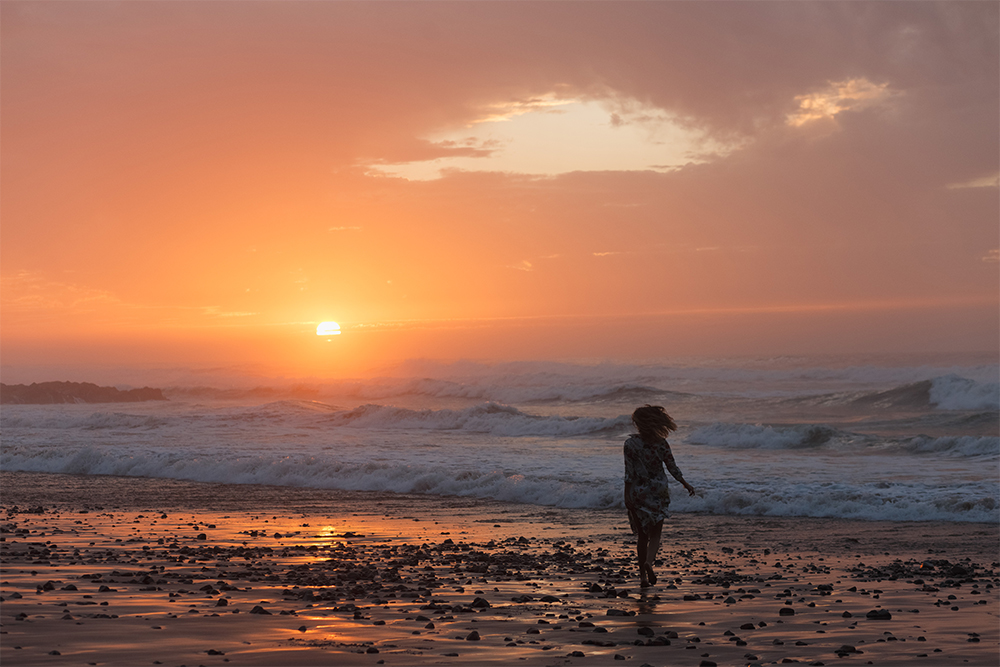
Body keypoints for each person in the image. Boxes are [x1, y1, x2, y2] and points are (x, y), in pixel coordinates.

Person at [623, 405, 696, 587]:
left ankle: (642, 577)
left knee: (642, 536)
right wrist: (685, 483)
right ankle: (649, 562)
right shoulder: (661, 443)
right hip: (659, 490)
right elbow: (672, 467)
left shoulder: (630, 444)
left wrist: (627, 495)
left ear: (638, 424)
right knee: (655, 535)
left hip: (639, 491)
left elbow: (629, 473)